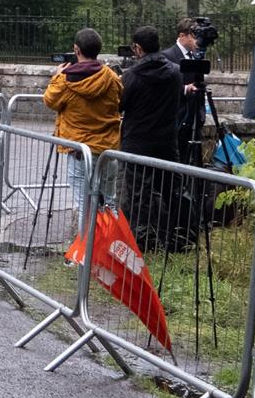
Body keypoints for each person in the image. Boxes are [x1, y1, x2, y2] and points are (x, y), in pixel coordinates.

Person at [120, 25, 193, 251]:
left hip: (137, 141)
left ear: (138, 48)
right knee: (173, 189)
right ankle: (181, 236)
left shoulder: (131, 76)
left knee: (137, 194)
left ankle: (140, 240)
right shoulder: (175, 71)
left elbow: (120, 105)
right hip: (166, 140)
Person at [42, 27, 120, 213]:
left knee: (84, 208)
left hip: (81, 151)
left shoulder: (65, 80)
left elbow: (49, 100)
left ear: (76, 50)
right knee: (109, 204)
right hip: (108, 150)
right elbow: (120, 101)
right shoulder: (111, 77)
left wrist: (56, 77)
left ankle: (87, 242)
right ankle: (111, 241)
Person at [161, 18, 205, 163]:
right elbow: (164, 87)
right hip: (177, 116)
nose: (196, 41)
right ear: (182, 35)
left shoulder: (197, 55)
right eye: (193, 36)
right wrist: (186, 89)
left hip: (194, 116)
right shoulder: (167, 56)